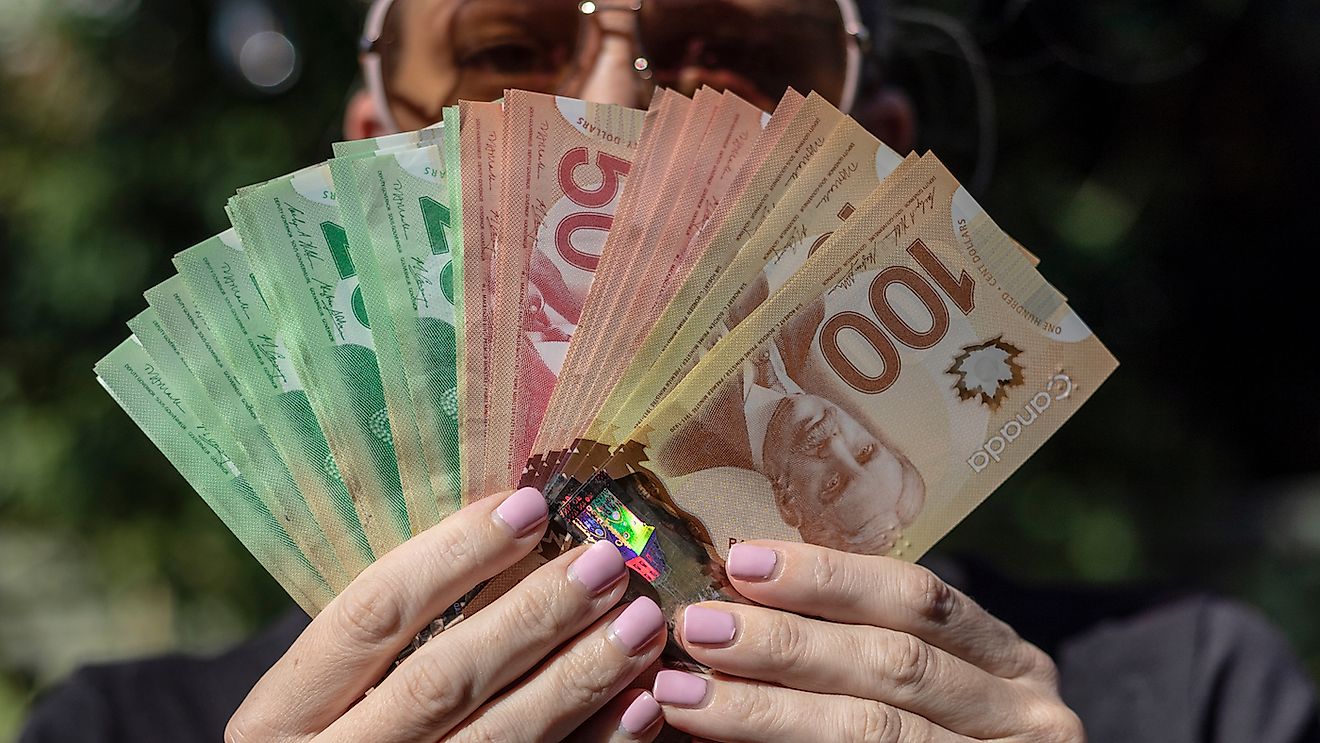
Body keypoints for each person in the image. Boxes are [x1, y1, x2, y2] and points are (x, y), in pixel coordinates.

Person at [21, 1, 1320, 741]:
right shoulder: (118, 732)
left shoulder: (1200, 698)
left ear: (872, 173)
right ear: (371, 159)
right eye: (506, 51)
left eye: (728, 56)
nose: (612, 112)